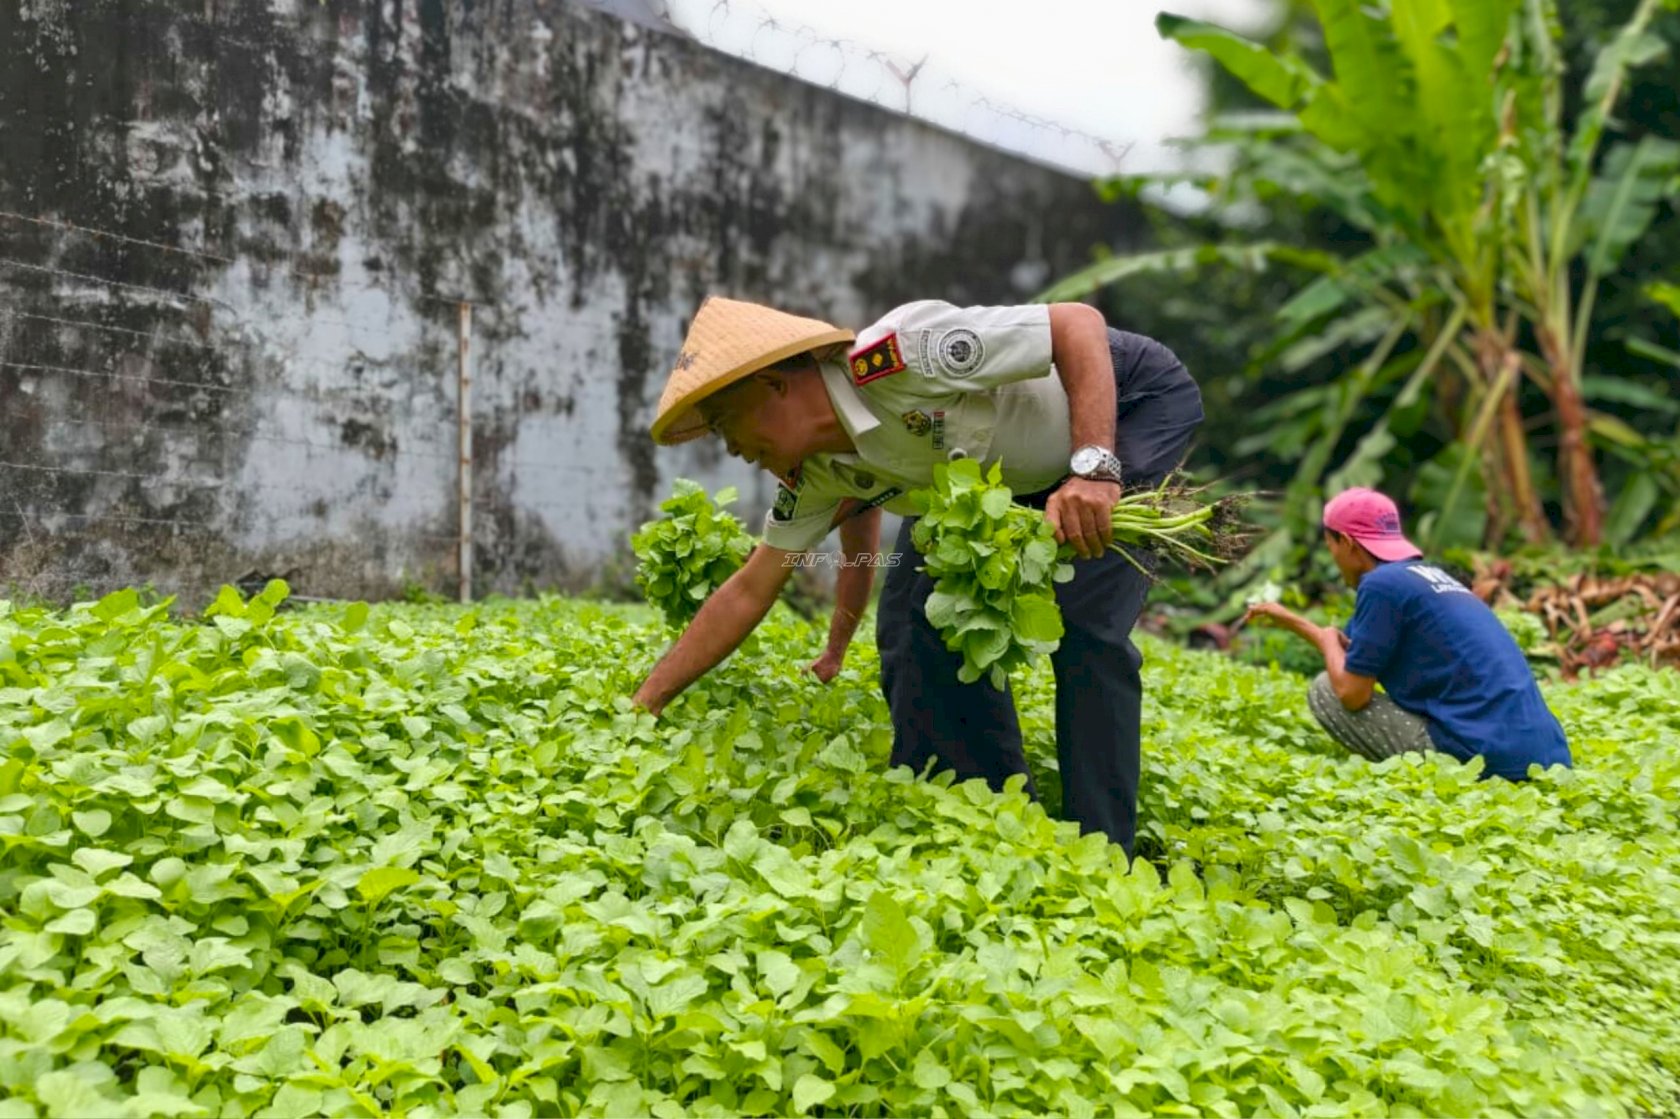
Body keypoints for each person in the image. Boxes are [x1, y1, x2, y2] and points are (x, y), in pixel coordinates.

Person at [630, 295, 1204, 859]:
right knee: (913, 619)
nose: (733, 449)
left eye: (728, 424)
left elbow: (1077, 324)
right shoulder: (818, 475)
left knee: (1086, 627)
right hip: (1006, 477)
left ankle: (1102, 852)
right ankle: (988, 815)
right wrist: (645, 704)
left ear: (774, 387)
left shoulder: (898, 357)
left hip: (1121, 401)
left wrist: (1095, 465)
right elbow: (750, 589)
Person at [1243, 486, 1572, 781]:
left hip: (1490, 763)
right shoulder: (1426, 577)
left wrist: (1328, 639)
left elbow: (1351, 693)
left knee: (1325, 690)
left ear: (1347, 543)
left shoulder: (1380, 585)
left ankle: (1442, 781)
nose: (1333, 557)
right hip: (1548, 761)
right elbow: (1352, 654)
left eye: (1331, 545)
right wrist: (1298, 623)